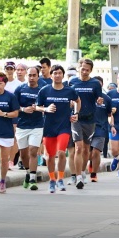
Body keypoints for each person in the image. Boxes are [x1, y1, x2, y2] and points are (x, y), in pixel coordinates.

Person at [36, 64, 80, 193]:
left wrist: (76, 114)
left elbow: (78, 101)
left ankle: (60, 178)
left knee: (61, 153)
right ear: (51, 75)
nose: (57, 75)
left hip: (64, 127)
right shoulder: (44, 90)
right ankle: (52, 180)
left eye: (59, 73)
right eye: (54, 73)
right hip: (49, 127)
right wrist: (46, 109)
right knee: (50, 156)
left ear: (63, 75)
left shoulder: (69, 90)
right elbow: (37, 107)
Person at [67, 58, 102, 189]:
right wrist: (69, 103)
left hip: (90, 119)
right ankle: (77, 176)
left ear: (91, 70)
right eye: (83, 69)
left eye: (87, 70)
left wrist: (99, 101)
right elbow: (68, 96)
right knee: (78, 147)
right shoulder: (73, 81)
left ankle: (82, 172)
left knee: (87, 149)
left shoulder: (95, 84)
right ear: (78, 68)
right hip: (76, 118)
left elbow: (100, 98)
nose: (85, 72)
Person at [14, 66, 44, 190]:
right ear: (27, 75)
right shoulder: (20, 89)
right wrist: (23, 109)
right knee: (24, 153)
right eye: (30, 75)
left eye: (34, 75)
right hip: (22, 125)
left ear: (38, 76)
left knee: (33, 151)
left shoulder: (42, 90)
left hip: (37, 124)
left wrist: (38, 108)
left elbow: (45, 106)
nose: (31, 78)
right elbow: (14, 106)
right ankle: (27, 172)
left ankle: (32, 179)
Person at [88, 76, 112, 182]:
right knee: (87, 153)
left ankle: (94, 173)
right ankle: (90, 164)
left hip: (101, 128)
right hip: (87, 127)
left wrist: (112, 126)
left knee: (96, 152)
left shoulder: (107, 99)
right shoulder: (87, 96)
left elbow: (110, 114)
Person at [5, 63, 26, 170]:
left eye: (11, 69)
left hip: (14, 112)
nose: (9, 71)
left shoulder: (18, 84)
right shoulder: (1, 82)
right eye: (7, 68)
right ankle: (3, 160)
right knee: (2, 137)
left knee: (14, 137)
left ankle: (11, 160)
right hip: (2, 113)